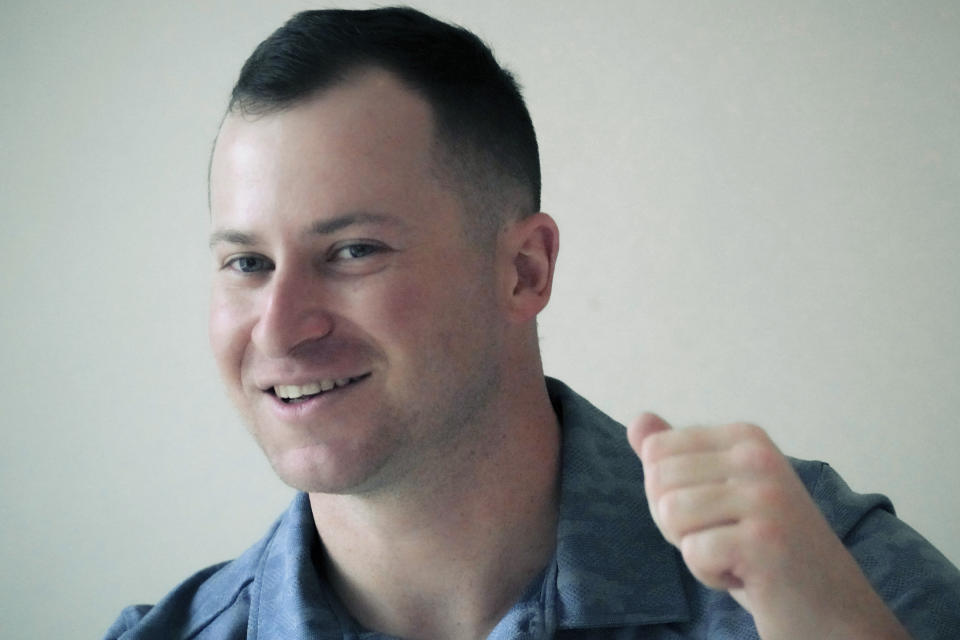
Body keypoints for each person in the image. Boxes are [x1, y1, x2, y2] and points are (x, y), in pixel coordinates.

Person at [105, 7, 960, 639]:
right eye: (246, 264)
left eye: (354, 251)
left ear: (524, 270)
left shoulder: (822, 574)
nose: (281, 328)